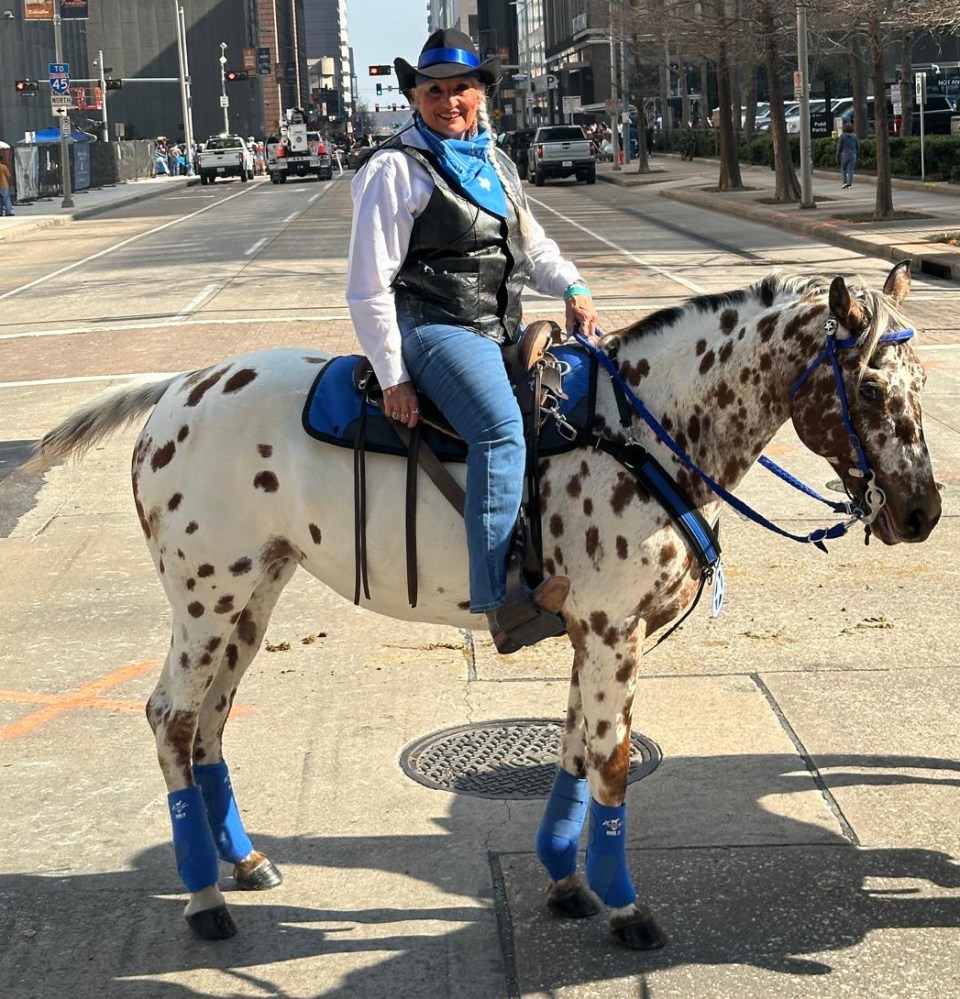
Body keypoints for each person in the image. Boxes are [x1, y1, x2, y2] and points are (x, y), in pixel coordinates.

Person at [345, 28, 599, 653]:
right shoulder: (394, 169)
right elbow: (368, 286)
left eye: (461, 88)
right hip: (437, 329)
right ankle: (502, 596)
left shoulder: (496, 162)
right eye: (435, 90)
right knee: (500, 429)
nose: (449, 100)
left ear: (481, 94)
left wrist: (572, 287)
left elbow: (531, 248)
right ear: (415, 97)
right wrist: (392, 374)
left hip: (503, 328)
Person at [836, 120, 859, 189]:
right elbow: (857, 146)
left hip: (844, 154)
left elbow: (839, 147)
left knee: (843, 169)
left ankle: (844, 182)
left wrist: (837, 156)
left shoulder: (842, 136)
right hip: (853, 154)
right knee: (850, 169)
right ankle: (849, 183)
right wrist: (857, 154)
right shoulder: (854, 136)